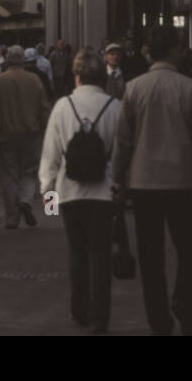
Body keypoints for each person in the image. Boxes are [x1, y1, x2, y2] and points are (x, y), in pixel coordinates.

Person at [111, 26, 192, 336]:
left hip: (144, 184)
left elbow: (124, 141)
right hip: (182, 181)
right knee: (191, 248)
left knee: (150, 255)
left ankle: (158, 320)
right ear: (172, 50)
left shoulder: (134, 89)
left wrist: (118, 179)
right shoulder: (190, 89)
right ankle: (183, 297)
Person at [39, 48, 122, 334]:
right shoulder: (114, 107)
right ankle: (101, 316)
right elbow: (123, 152)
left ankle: (79, 310)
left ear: (76, 77)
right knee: (100, 253)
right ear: (102, 78)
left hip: (70, 190)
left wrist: (47, 191)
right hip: (104, 192)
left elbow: (50, 153)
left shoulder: (62, 106)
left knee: (76, 251)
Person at [0, 45, 49, 229]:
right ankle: (26, 201)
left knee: (9, 176)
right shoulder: (35, 80)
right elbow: (44, 108)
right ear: (23, 60)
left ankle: (12, 217)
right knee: (29, 173)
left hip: (4, 134)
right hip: (31, 134)